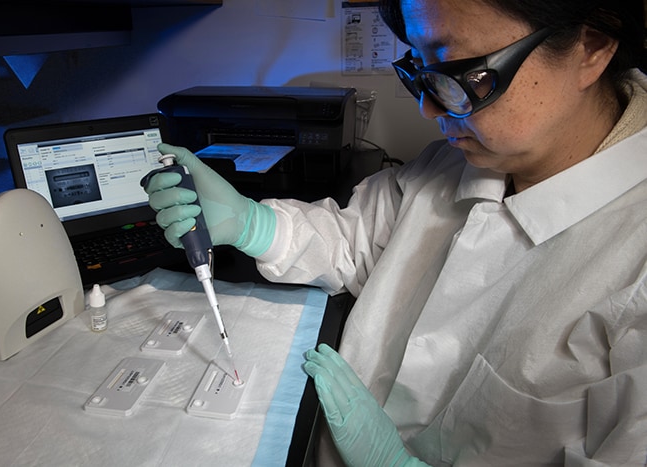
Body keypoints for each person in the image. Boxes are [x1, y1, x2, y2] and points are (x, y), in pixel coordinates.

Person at [145, 0, 647, 464]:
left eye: (469, 76)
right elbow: (353, 242)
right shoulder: (452, 163)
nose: (429, 110)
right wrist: (251, 222)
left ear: (593, 47)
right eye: (420, 73)